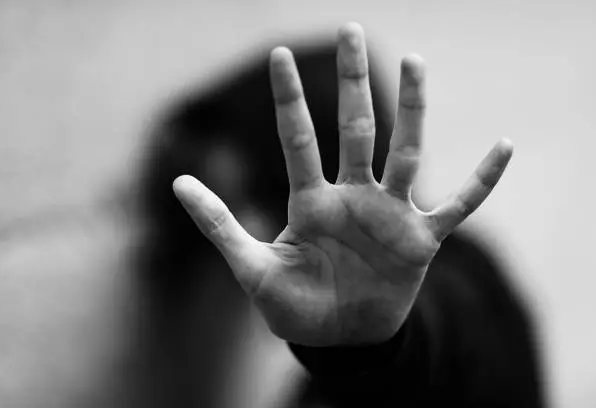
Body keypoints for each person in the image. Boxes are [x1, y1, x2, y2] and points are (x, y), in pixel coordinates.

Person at [136, 22, 544, 407]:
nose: (237, 250)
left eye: (241, 206)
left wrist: (370, 344)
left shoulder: (461, 285)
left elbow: (444, 346)